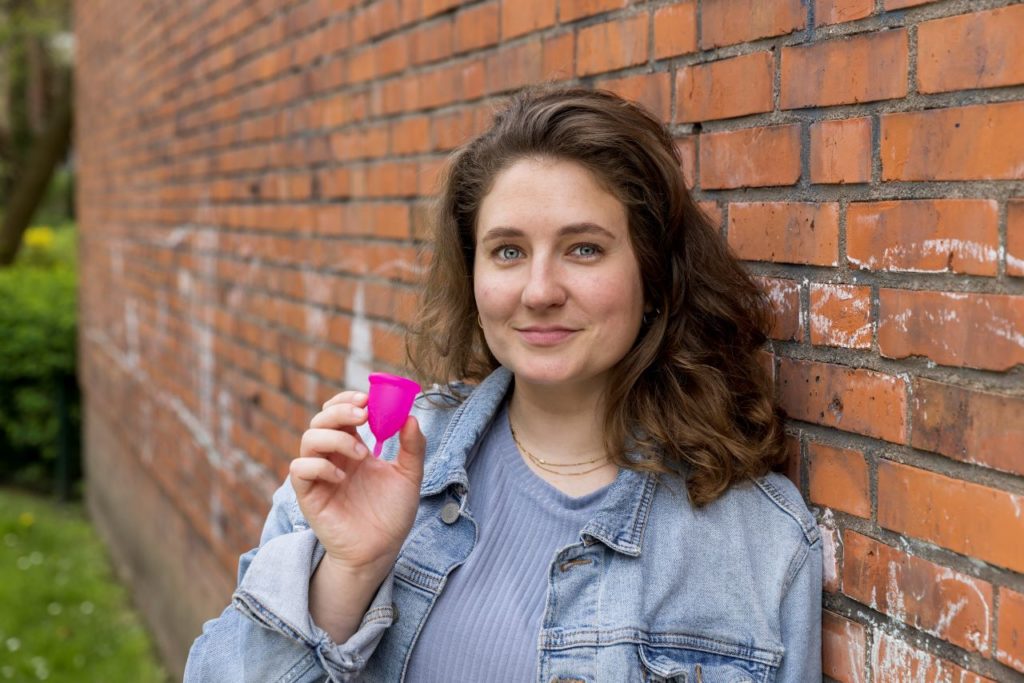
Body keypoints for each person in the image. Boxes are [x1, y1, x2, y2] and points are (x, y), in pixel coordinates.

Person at [184, 86, 822, 682]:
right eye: (508, 251)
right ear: (474, 276)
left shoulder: (758, 542)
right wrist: (348, 574)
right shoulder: (368, 468)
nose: (540, 292)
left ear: (652, 278)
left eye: (584, 249)